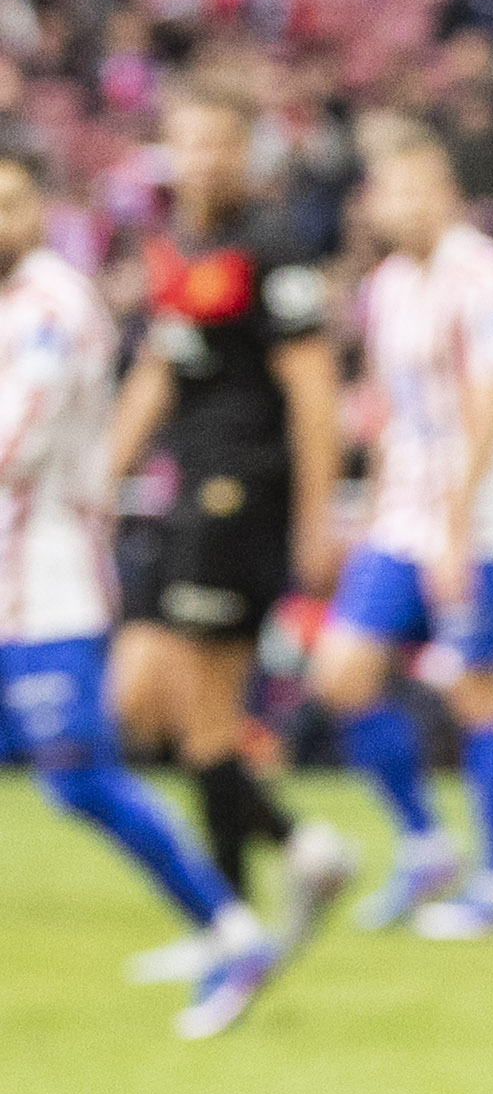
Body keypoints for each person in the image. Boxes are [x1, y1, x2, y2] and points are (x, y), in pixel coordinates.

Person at [0, 137, 286, 1038]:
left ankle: (232, 931)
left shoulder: (53, 307)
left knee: (81, 782)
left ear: (38, 211)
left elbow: (15, 445)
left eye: (9, 202)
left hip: (41, 586)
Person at [103, 83, 358, 968]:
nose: (204, 160)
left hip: (243, 499)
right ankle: (290, 850)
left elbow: (315, 392)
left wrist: (316, 517)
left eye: (220, 143)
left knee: (208, 713)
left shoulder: (274, 248)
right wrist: (101, 478)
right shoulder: (178, 245)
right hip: (187, 496)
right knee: (142, 701)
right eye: (189, 143)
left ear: (248, 150)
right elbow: (157, 370)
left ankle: (228, 921)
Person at [307, 122, 493, 940]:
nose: (397, 206)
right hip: (403, 515)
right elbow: (384, 407)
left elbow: (490, 398)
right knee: (341, 673)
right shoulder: (387, 285)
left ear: (444, 193)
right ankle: (424, 846)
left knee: (474, 691)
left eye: (413, 189)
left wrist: (456, 524)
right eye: (385, 192)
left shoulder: (486, 276)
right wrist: (372, 509)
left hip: (479, 520)